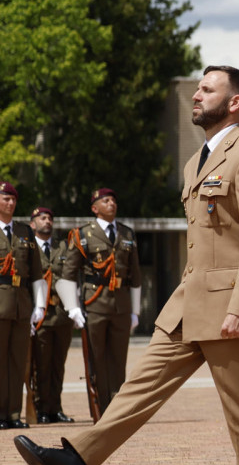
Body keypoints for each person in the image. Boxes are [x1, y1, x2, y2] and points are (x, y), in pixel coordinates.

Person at [15, 65, 239, 465]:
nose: (196, 95)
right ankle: (79, 459)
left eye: (207, 89)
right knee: (137, 389)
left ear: (235, 103)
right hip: (188, 303)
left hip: (232, 308)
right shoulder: (197, 161)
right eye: (197, 87)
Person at [56, 188, 142, 416]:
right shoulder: (82, 234)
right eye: (106, 201)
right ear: (95, 208)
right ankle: (101, 407)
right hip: (95, 304)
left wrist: (136, 311)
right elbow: (68, 274)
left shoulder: (127, 234)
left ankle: (117, 407)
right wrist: (72, 307)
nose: (111, 203)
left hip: (121, 305)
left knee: (118, 358)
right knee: (97, 359)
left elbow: (135, 276)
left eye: (113, 199)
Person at [0, 181, 47, 429]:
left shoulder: (25, 232)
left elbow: (37, 273)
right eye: (6, 198)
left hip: (21, 305)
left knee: (18, 361)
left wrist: (39, 305)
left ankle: (13, 414)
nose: (10, 203)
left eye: (13, 199)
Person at [29, 206, 77, 424]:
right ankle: (40, 408)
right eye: (42, 218)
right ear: (33, 224)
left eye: (49, 218)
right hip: (40, 314)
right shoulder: (29, 247)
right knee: (41, 365)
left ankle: (55, 408)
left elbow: (72, 277)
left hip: (61, 314)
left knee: (58, 365)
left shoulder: (63, 246)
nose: (47, 221)